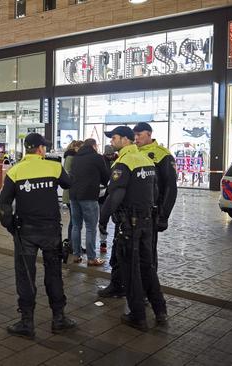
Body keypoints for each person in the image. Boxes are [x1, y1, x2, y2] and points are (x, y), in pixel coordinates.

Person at [0, 133, 77, 339]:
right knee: (54, 273)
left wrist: (10, 226)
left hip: (26, 232)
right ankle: (59, 318)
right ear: (40, 149)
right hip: (51, 230)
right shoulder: (53, 167)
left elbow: (4, 204)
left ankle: (27, 322)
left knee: (25, 276)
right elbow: (69, 183)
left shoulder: (15, 171)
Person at [98, 126, 166, 331]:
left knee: (130, 270)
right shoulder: (146, 160)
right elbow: (155, 191)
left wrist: (103, 219)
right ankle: (160, 309)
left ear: (126, 140)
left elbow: (116, 194)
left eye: (115, 138)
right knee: (147, 267)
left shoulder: (124, 162)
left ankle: (138, 315)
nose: (112, 141)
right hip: (146, 222)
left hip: (129, 225)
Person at [133, 122, 178, 268]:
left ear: (149, 134)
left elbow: (171, 187)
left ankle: (149, 286)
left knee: (147, 253)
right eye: (134, 135)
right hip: (132, 211)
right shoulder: (133, 153)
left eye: (139, 135)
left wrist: (164, 216)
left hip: (151, 212)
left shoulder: (162, 154)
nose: (136, 138)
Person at [69, 138, 110, 266]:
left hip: (73, 196)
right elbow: (105, 177)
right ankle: (91, 258)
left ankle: (76, 255)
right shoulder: (96, 157)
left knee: (76, 226)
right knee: (91, 228)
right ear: (94, 146)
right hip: (89, 196)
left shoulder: (76, 157)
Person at [62, 140, 81, 263]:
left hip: (71, 192)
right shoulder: (70, 157)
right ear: (76, 147)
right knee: (74, 221)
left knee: (75, 221)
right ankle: (71, 244)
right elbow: (68, 173)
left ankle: (74, 244)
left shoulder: (72, 156)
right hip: (70, 193)